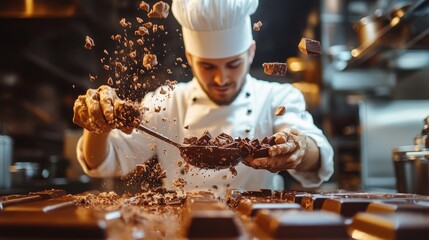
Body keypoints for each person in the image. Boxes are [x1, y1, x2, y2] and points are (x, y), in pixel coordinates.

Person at [73, 0, 334, 195]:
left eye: (233, 64)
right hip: (180, 229)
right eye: (208, 66)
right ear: (190, 59)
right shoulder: (166, 102)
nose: (221, 79)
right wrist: (97, 126)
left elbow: (318, 157)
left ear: (251, 52)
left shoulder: (277, 97)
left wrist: (299, 149)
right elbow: (104, 162)